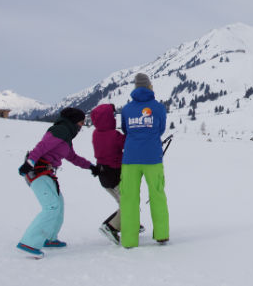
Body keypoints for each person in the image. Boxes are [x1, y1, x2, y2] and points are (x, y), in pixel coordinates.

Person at [16, 107, 100, 258]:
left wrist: (91, 167)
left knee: (58, 204)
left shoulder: (66, 137)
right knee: (51, 206)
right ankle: (28, 243)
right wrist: (29, 163)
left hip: (46, 173)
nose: (82, 125)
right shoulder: (60, 130)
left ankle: (49, 238)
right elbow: (42, 147)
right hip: (36, 171)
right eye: (81, 122)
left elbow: (73, 157)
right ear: (74, 121)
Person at [120, 73, 169, 248]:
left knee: (129, 198)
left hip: (130, 158)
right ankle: (162, 234)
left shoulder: (126, 109)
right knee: (157, 195)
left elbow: (125, 130)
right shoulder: (159, 108)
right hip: (153, 157)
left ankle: (129, 239)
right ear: (149, 86)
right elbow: (161, 129)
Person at [90, 103, 144, 245]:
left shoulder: (96, 133)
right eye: (112, 115)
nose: (114, 117)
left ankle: (130, 223)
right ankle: (111, 226)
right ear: (107, 118)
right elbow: (129, 144)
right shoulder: (114, 135)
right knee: (129, 202)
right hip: (114, 174)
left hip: (103, 175)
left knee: (124, 202)